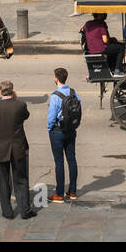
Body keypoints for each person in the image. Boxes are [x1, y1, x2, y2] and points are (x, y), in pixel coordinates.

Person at [0, 80, 34, 220]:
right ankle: (25, 210)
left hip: (0, 149)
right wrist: (16, 100)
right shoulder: (20, 105)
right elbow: (26, 116)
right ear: (12, 91)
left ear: (0, 92)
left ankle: (7, 211)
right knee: (21, 180)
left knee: (3, 180)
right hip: (18, 148)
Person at [47, 67, 80, 202]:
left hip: (58, 131)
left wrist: (50, 128)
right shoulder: (74, 92)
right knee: (71, 159)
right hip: (71, 130)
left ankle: (59, 194)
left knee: (59, 162)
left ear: (56, 78)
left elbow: (51, 117)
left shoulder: (55, 96)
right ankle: (72, 191)